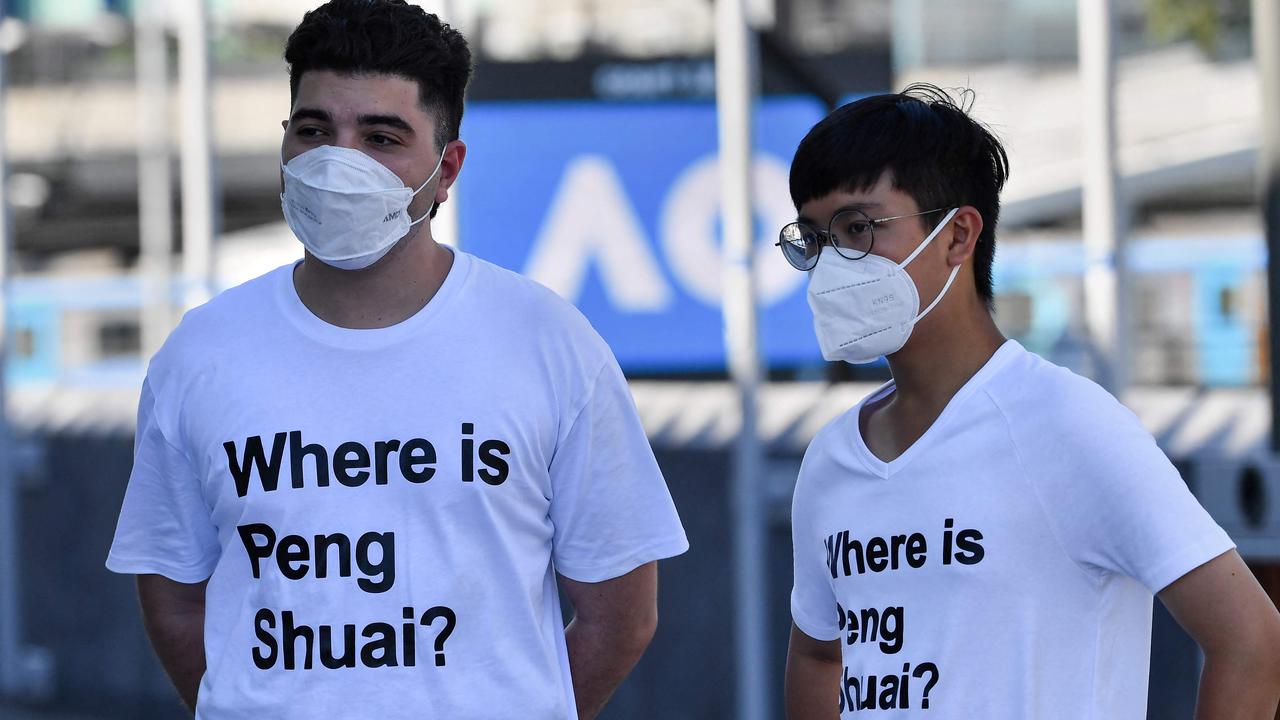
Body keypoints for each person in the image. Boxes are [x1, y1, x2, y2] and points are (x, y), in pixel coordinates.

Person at [106, 2, 688, 718]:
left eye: (381, 137)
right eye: (315, 130)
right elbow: (173, 602)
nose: (338, 161)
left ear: (446, 170)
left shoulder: (548, 342)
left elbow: (621, 616)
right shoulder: (201, 352)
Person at [781, 84, 1280, 719]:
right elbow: (821, 655)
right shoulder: (831, 460)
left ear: (959, 235)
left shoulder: (1068, 425)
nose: (833, 262)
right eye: (813, 238)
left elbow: (1253, 643)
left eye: (858, 228)